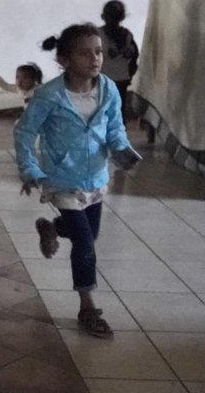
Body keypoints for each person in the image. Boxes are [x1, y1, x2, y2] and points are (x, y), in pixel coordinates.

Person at [15, 24, 140, 338]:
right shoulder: (49, 96)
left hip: (96, 176)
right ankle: (87, 305)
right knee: (84, 243)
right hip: (62, 178)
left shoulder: (109, 89)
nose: (95, 59)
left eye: (98, 51)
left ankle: (51, 227)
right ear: (65, 60)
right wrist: (30, 168)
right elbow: (25, 132)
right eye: (85, 53)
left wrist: (122, 150)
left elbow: (115, 128)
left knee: (89, 234)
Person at [99, 0, 139, 122]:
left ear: (103, 16)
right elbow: (134, 57)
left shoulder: (97, 34)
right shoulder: (127, 34)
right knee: (117, 109)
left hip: (103, 78)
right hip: (120, 78)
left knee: (103, 110)